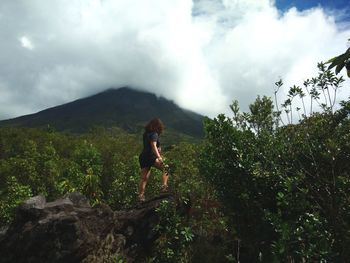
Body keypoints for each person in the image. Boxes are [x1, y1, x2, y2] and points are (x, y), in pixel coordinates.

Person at [138, 118, 169, 202]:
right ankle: (164, 188)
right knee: (166, 168)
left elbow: (150, 145)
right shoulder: (154, 134)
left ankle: (141, 197)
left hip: (143, 156)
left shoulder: (145, 134)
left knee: (143, 178)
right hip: (150, 156)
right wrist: (159, 157)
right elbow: (153, 145)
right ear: (158, 126)